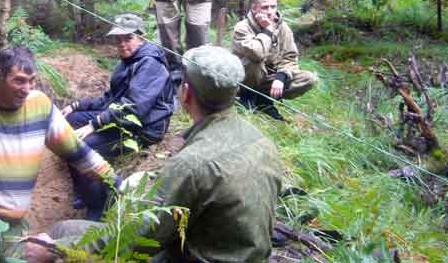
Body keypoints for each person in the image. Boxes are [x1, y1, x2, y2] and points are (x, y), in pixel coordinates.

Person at [36, 45, 283, 262]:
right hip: (241, 252)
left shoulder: (191, 164)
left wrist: (57, 250)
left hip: (193, 256)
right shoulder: (263, 141)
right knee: (67, 229)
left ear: (186, 93)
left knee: (59, 233)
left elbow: (135, 241)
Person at [0, 45, 116, 263]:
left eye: (32, 80)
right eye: (18, 80)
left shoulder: (39, 105)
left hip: (13, 226)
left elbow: (77, 152)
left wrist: (115, 181)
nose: (26, 88)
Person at [61, 13, 174, 219]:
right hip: (123, 119)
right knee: (70, 122)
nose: (122, 44)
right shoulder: (128, 61)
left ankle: (97, 206)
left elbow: (134, 107)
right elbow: (109, 99)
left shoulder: (151, 64)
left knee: (84, 146)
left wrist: (96, 123)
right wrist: (78, 105)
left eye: (128, 38)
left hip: (145, 128)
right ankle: (84, 190)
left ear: (142, 37)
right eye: (118, 39)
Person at [231, 0, 317, 120]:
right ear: (254, 9)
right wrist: (268, 31)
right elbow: (257, 53)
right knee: (255, 62)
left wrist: (281, 77)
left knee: (309, 79)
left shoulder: (283, 28)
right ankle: (246, 99)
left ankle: (264, 102)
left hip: (270, 78)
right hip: (243, 81)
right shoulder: (242, 28)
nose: (270, 11)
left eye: (273, 6)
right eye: (265, 7)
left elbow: (290, 58)